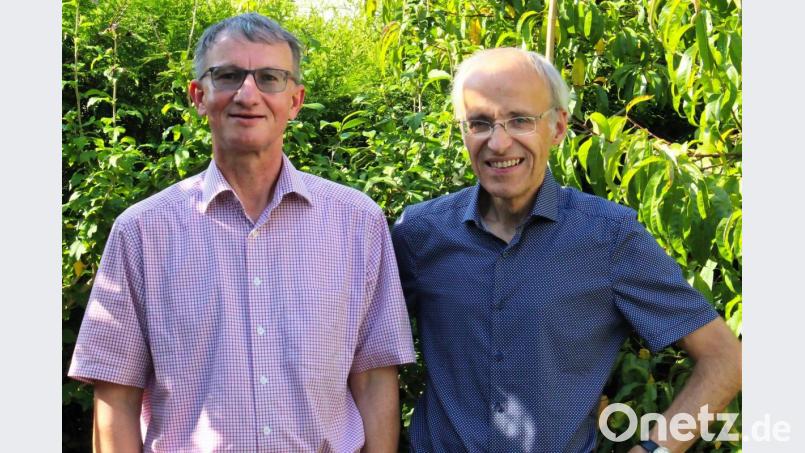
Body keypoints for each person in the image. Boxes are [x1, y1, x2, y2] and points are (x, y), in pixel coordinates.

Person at [69, 13, 415, 452]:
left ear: (295, 100)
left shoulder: (357, 223)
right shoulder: (142, 232)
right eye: (228, 75)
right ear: (199, 95)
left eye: (270, 77)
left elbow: (374, 376)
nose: (248, 94)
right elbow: (115, 395)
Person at [391, 47, 741, 453]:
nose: (499, 143)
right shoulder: (420, 234)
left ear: (557, 127)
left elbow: (724, 359)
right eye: (480, 123)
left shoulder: (609, 237)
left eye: (520, 120)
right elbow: (360, 353)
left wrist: (654, 450)